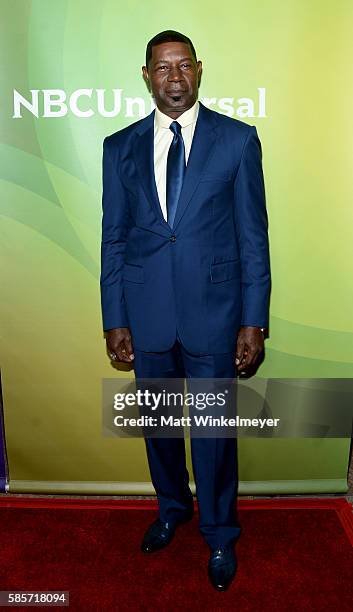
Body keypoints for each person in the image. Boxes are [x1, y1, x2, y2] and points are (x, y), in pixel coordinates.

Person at [100, 30, 271, 592]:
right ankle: (172, 507)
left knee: (215, 433)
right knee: (159, 426)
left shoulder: (237, 141)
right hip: (146, 315)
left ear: (199, 70)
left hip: (216, 316)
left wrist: (253, 318)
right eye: (162, 67)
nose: (174, 77)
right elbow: (115, 240)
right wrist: (114, 317)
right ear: (146, 76)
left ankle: (221, 532)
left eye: (183, 66)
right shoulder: (119, 147)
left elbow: (254, 237)